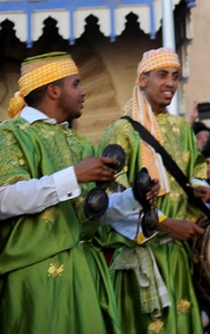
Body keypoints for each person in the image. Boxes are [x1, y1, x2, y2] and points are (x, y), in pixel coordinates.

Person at [0, 53, 146, 334]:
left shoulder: (78, 143)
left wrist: (134, 197)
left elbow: (89, 213)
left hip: (84, 272)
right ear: (53, 90)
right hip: (33, 278)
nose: (83, 92)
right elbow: (4, 199)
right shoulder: (10, 134)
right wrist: (73, 176)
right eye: (75, 84)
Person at [102, 49, 210, 334]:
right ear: (142, 79)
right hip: (141, 255)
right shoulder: (122, 131)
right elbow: (112, 196)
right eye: (162, 75)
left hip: (178, 255)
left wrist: (201, 188)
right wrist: (165, 223)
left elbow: (195, 169)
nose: (170, 83)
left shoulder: (181, 127)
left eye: (175, 76)